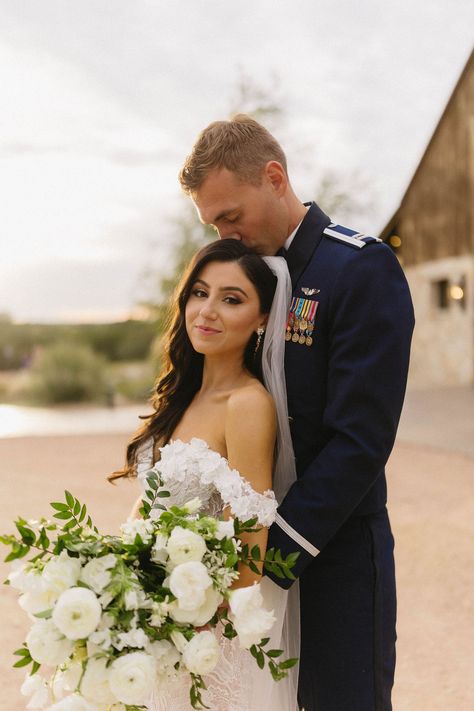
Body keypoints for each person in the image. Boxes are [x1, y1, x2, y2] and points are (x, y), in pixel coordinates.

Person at [178, 114, 415, 711]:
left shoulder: (357, 269)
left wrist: (269, 562)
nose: (226, 234)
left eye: (231, 215)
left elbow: (360, 439)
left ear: (275, 177)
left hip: (329, 554)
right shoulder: (242, 275)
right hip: (240, 557)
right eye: (214, 224)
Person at [113, 238, 300, 711]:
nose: (208, 310)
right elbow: (149, 506)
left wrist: (198, 627)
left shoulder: (247, 405)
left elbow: (253, 534)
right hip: (155, 620)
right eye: (200, 293)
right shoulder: (182, 397)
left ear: (262, 320)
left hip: (206, 641)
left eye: (231, 299)